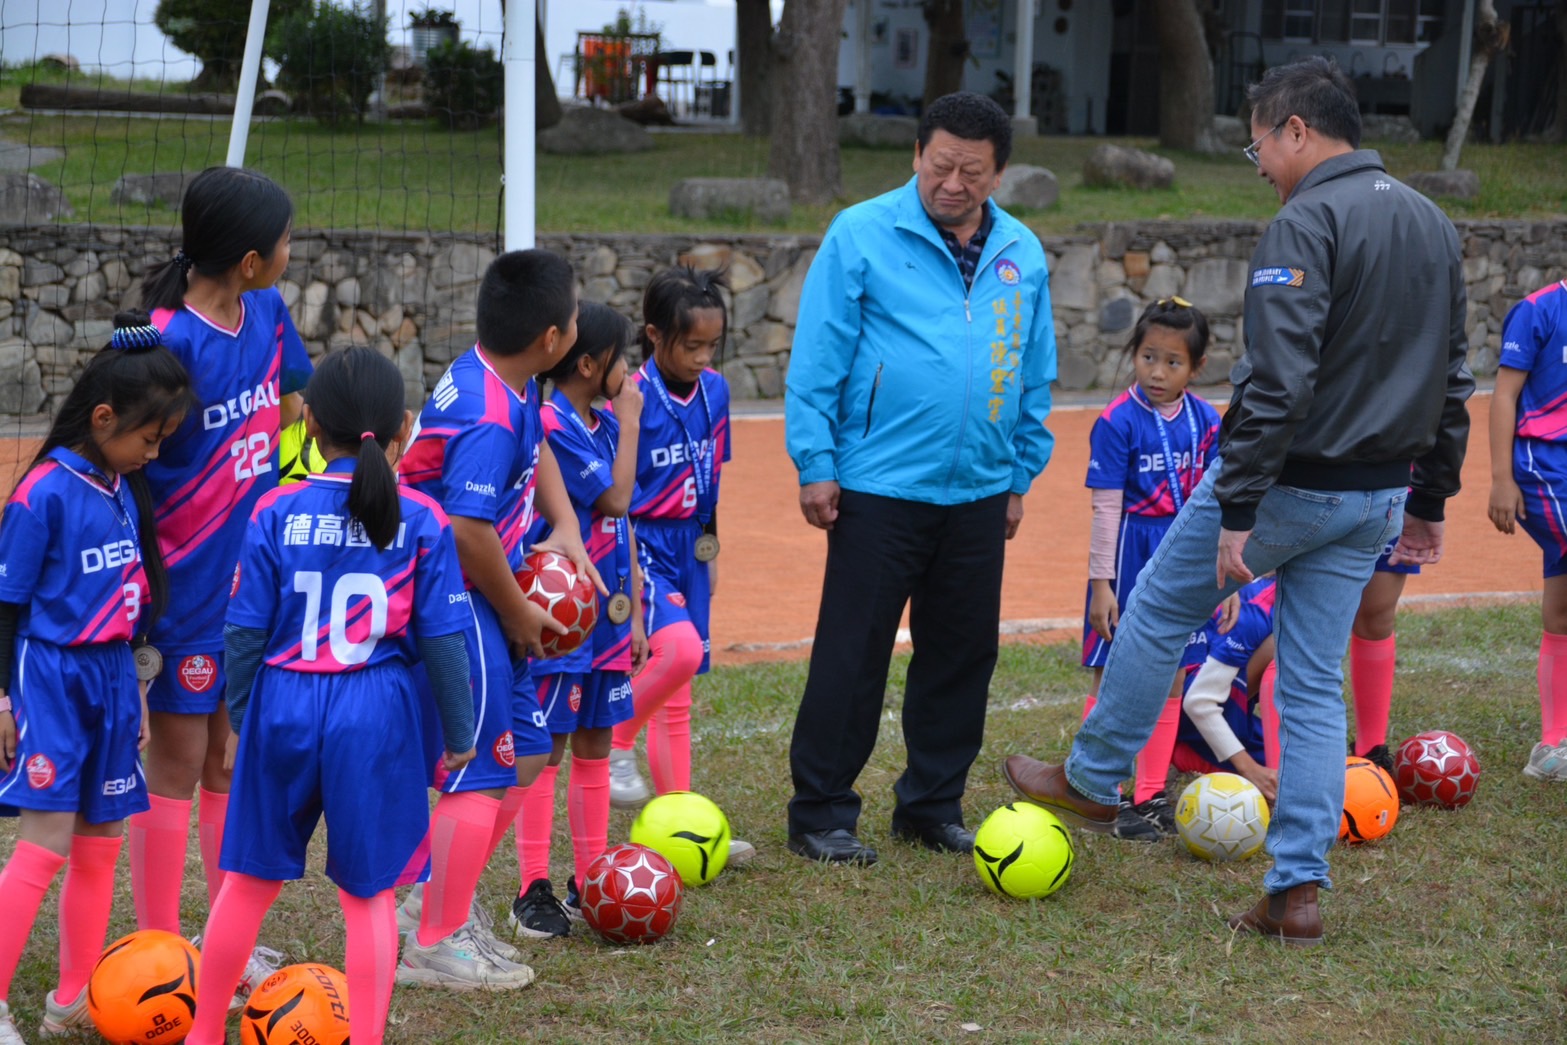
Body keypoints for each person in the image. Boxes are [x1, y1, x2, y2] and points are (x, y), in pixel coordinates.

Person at [1002, 56, 1472, 946]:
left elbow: (1277, 381)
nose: (1256, 162)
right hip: (1375, 492)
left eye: (1258, 142)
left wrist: (1243, 505)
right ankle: (1295, 891)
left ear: (1297, 130)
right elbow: (1453, 380)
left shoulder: (1305, 221)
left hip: (1286, 485)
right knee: (1310, 681)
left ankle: (1095, 779)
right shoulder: (1431, 221)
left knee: (1151, 613)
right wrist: (1430, 499)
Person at [783, 91, 1057, 865]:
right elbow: (818, 360)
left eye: (972, 171)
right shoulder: (862, 234)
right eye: (940, 165)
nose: (953, 183)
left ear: (998, 173)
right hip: (878, 486)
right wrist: (817, 462)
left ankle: (931, 806)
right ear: (915, 157)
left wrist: (1018, 473)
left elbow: (1035, 372)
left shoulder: (1021, 253)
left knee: (962, 653)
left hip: (978, 491)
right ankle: (821, 813)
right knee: (853, 651)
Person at [184, 348, 476, 1045]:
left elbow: (244, 631)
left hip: (284, 698)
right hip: (373, 713)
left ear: (308, 422)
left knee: (245, 882)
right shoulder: (423, 518)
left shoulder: (276, 508)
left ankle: (200, 1036)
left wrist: (246, 717)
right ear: (404, 425)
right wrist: (460, 731)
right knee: (368, 897)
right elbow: (443, 642)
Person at [394, 248, 599, 989]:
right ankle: (434, 939)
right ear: (552, 337)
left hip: (479, 593)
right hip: (457, 598)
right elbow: (465, 528)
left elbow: (535, 439)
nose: (578, 320)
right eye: (574, 313)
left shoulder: (504, 380)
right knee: (480, 770)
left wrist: (565, 527)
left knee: (533, 748)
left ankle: (435, 900)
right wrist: (518, 613)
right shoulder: (485, 412)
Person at [130, 167, 312, 1003]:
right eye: (282, 241)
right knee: (175, 760)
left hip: (253, 587)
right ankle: (158, 949)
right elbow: (125, 467)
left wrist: (274, 472)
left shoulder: (268, 314)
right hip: (184, 589)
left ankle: (221, 934)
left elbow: (295, 401)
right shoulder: (163, 345)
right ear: (247, 258)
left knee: (225, 759)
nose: (290, 252)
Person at [0, 315, 197, 1042]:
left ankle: (72, 998)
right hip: (51, 677)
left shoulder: (121, 487)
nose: (154, 452)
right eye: (149, 437)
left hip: (112, 681)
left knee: (101, 840)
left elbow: (131, 606)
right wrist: (1, 699)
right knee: (46, 841)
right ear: (104, 416)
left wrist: (135, 690)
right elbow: (6, 606)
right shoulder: (43, 493)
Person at [509, 302, 648, 938]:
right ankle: (532, 887)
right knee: (553, 745)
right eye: (624, 358)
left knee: (595, 740)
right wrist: (632, 420)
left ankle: (590, 876)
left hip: (609, 618)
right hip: (566, 616)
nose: (633, 371)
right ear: (590, 365)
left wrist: (637, 614)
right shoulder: (553, 423)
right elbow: (615, 497)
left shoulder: (594, 421)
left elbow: (623, 525)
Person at [607, 266, 753, 865]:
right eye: (690, 345)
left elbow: (711, 479)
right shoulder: (632, 397)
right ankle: (618, 739)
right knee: (679, 652)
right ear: (655, 336)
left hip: (690, 545)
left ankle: (681, 826)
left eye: (710, 347)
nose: (700, 357)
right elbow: (616, 491)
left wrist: (709, 553)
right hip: (642, 544)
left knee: (680, 694)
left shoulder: (715, 391)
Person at [1080, 298, 1221, 840]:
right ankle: (1100, 793)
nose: (1157, 372)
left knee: (1174, 671)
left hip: (1185, 549)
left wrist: (1225, 583)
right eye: (1147, 357)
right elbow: (1106, 508)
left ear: (1197, 367)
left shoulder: (1208, 421)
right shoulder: (1117, 420)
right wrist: (1101, 584)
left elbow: (1217, 506)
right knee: (1110, 665)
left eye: (1173, 363)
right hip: (1129, 549)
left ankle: (1150, 793)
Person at [1487, 279, 1567, 781]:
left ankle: (1552, 745)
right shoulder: (1539, 310)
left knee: (1561, 605)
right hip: (1546, 465)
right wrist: (1500, 478)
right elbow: (1504, 395)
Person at [1174, 577, 1279, 802]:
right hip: (1185, 707)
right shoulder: (1258, 608)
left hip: (1231, 710)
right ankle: (1187, 749)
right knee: (1282, 645)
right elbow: (1198, 702)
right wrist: (1249, 769)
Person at [1345, 546, 1415, 773]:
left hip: (1385, 513)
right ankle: (1282, 763)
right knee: (1302, 621)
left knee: (1376, 619)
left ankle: (1371, 754)